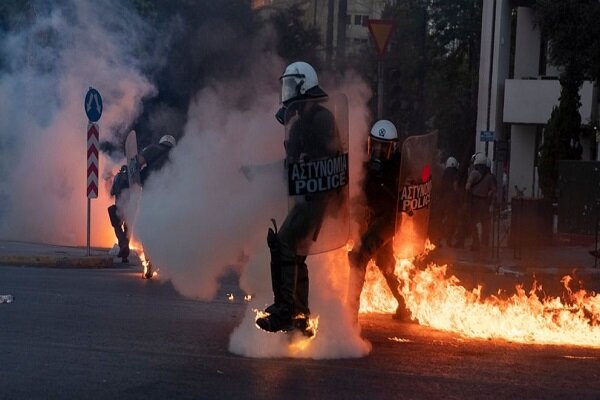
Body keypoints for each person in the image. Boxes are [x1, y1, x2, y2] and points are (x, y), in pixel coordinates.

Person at [256, 61, 341, 334]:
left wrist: (310, 159)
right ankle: (300, 314)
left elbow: (333, 155)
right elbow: (290, 162)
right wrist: (260, 172)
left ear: (305, 85)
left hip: (320, 195)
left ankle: (284, 310)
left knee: (282, 243)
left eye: (291, 83)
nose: (287, 89)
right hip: (305, 194)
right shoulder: (298, 122)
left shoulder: (321, 118)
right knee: (296, 250)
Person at [346, 119, 411, 323]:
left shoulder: (400, 166)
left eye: (384, 147)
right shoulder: (365, 165)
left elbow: (412, 189)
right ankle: (406, 306)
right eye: (375, 144)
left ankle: (349, 314)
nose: (378, 150)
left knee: (359, 255)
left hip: (390, 218)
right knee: (386, 264)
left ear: (393, 147)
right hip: (373, 218)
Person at [133, 133, 177, 278]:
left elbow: (138, 162)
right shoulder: (176, 156)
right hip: (168, 198)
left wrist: (136, 173)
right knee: (164, 230)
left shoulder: (152, 149)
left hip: (149, 195)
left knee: (146, 228)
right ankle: (163, 260)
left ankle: (149, 261)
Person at [465, 152, 496, 251]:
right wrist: (488, 195)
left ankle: (476, 243)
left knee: (473, 222)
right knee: (485, 223)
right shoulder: (490, 176)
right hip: (485, 202)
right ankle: (485, 243)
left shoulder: (474, 173)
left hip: (475, 201)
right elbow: (493, 189)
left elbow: (467, 187)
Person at [107, 165, 130, 263]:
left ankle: (123, 245)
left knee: (117, 226)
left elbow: (112, 192)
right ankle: (125, 254)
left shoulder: (117, 177)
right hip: (130, 206)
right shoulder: (131, 177)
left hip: (119, 206)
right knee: (128, 229)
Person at [439, 156, 461, 247]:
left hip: (443, 199)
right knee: (452, 220)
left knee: (441, 219)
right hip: (452, 200)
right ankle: (449, 240)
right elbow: (456, 187)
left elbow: (441, 187)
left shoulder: (444, 174)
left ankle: (438, 239)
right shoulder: (456, 174)